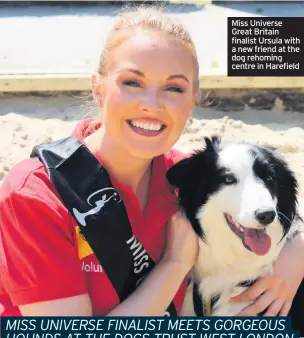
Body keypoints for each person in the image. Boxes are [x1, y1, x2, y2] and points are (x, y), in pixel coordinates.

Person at [0, 5, 303, 318]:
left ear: (193, 99)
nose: (152, 105)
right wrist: (175, 264)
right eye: (132, 82)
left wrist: (295, 256)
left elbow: (269, 208)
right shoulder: (36, 195)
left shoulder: (189, 177)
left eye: (174, 88)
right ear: (98, 89)